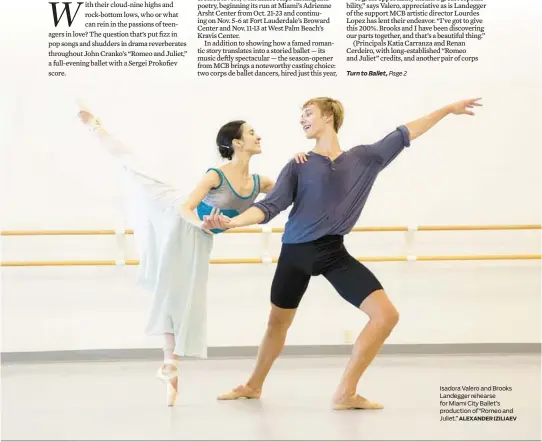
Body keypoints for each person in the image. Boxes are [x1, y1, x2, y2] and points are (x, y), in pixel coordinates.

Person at [201, 96, 483, 410]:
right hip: (295, 251)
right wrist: (232, 221)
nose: (302, 120)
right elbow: (269, 207)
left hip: (332, 251)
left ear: (328, 117)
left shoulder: (365, 158)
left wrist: (446, 110)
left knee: (386, 316)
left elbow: (406, 132)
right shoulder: (298, 164)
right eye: (301, 115)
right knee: (277, 324)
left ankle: (345, 392)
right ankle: (253, 385)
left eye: (308, 113)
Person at [77, 106, 308, 406]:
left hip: (200, 238)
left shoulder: (260, 182)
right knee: (133, 168)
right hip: (177, 218)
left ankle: (169, 366)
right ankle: (97, 127)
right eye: (251, 132)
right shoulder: (215, 175)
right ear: (237, 142)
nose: (258, 136)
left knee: (185, 295)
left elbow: (293, 195)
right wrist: (202, 224)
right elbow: (186, 207)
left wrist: (301, 162)